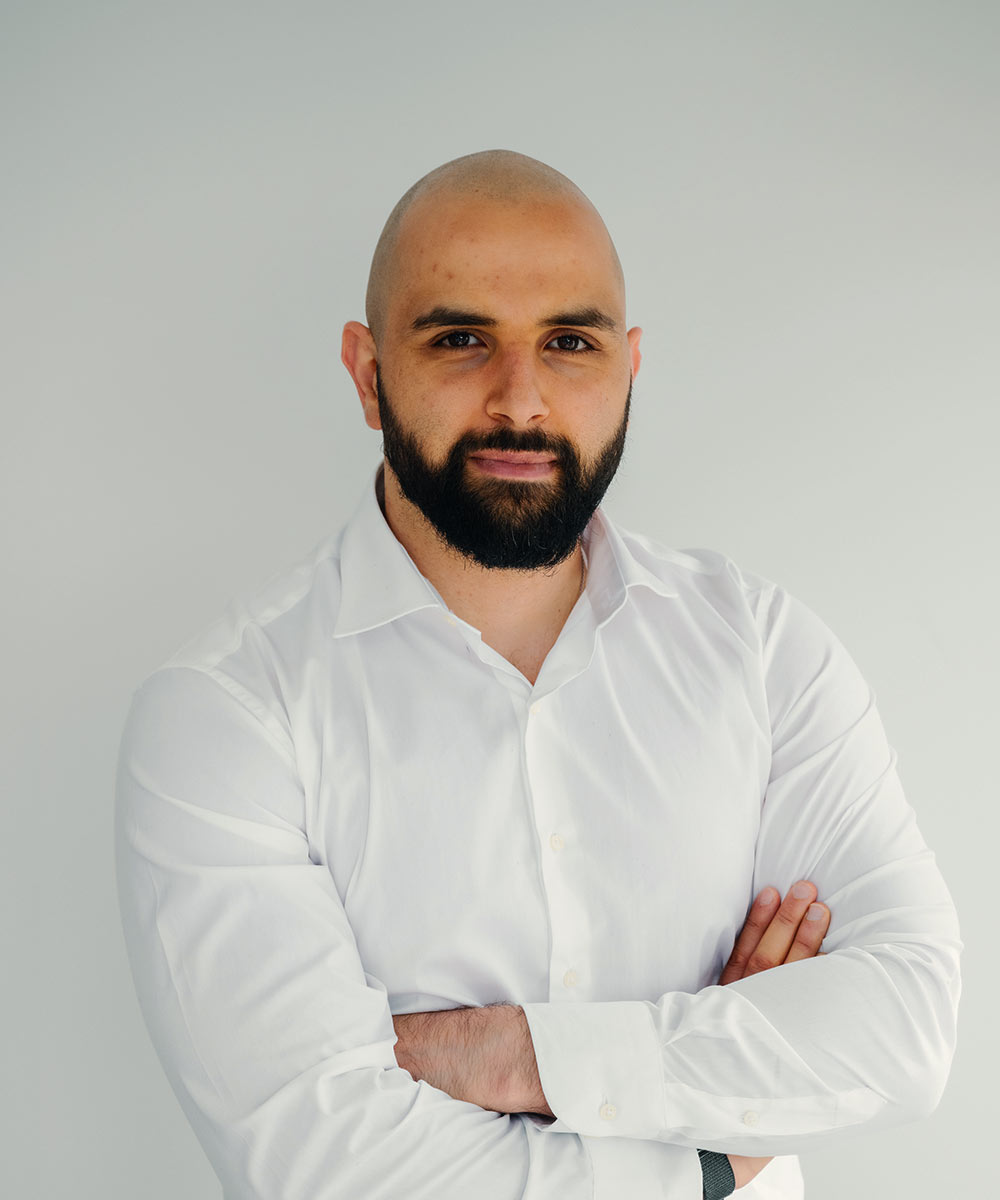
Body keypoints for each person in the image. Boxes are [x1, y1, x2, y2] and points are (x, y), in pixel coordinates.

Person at [115, 150, 961, 1200]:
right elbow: (330, 1168)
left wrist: (512, 1055)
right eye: (461, 339)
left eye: (569, 341)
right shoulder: (225, 715)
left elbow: (907, 1026)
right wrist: (716, 1144)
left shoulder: (761, 649)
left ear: (628, 364)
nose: (521, 400)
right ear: (367, 371)